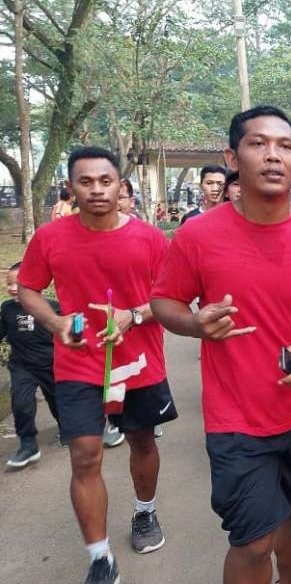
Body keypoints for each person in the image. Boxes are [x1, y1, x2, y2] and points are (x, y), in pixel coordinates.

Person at [151, 106, 291, 584]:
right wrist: (195, 323)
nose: (273, 156)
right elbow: (164, 302)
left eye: (286, 147)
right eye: (258, 144)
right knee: (253, 540)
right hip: (236, 419)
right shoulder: (197, 235)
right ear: (232, 157)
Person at [18, 145, 175, 584]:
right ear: (71, 187)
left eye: (105, 181)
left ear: (120, 186)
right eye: (85, 182)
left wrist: (134, 315)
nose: (96, 190)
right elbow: (28, 288)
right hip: (78, 364)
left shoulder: (148, 238)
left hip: (139, 363)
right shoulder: (50, 238)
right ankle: (100, 557)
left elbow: (170, 298)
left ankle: (145, 513)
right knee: (85, 456)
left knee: (142, 442)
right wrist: (54, 320)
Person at [3, 261, 61, 467]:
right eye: (8, 283)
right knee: (21, 404)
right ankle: (28, 445)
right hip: (21, 366)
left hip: (50, 364)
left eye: (17, 283)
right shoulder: (7, 309)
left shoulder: (53, 307)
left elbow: (66, 331)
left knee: (57, 401)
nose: (11, 288)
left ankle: (66, 428)